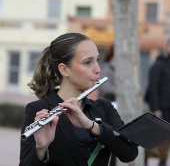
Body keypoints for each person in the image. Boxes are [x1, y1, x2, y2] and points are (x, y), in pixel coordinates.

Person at [19, 33, 138, 166]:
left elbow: (129, 153)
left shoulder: (104, 108)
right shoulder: (39, 110)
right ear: (64, 70)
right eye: (88, 62)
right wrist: (41, 149)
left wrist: (92, 126)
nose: (98, 70)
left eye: (97, 61)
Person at [144, 39, 170, 166]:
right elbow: (153, 88)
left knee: (165, 144)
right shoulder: (158, 64)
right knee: (154, 142)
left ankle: (163, 163)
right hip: (161, 111)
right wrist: (156, 109)